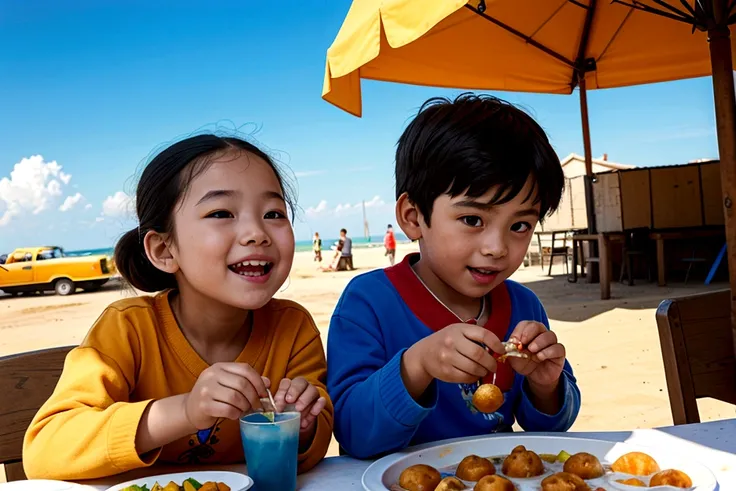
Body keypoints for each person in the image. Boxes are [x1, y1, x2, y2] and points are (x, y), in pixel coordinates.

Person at [23, 135, 334, 479]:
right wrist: (185, 411)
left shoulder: (293, 329)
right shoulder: (129, 329)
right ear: (164, 250)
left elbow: (315, 446)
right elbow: (45, 449)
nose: (256, 233)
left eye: (273, 213)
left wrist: (300, 423)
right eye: (221, 213)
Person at [326, 93, 580, 459]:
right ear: (414, 218)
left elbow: (553, 429)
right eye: (473, 220)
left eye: (520, 225)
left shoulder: (524, 305)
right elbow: (353, 433)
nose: (497, 247)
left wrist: (546, 385)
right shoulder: (369, 302)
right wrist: (417, 365)